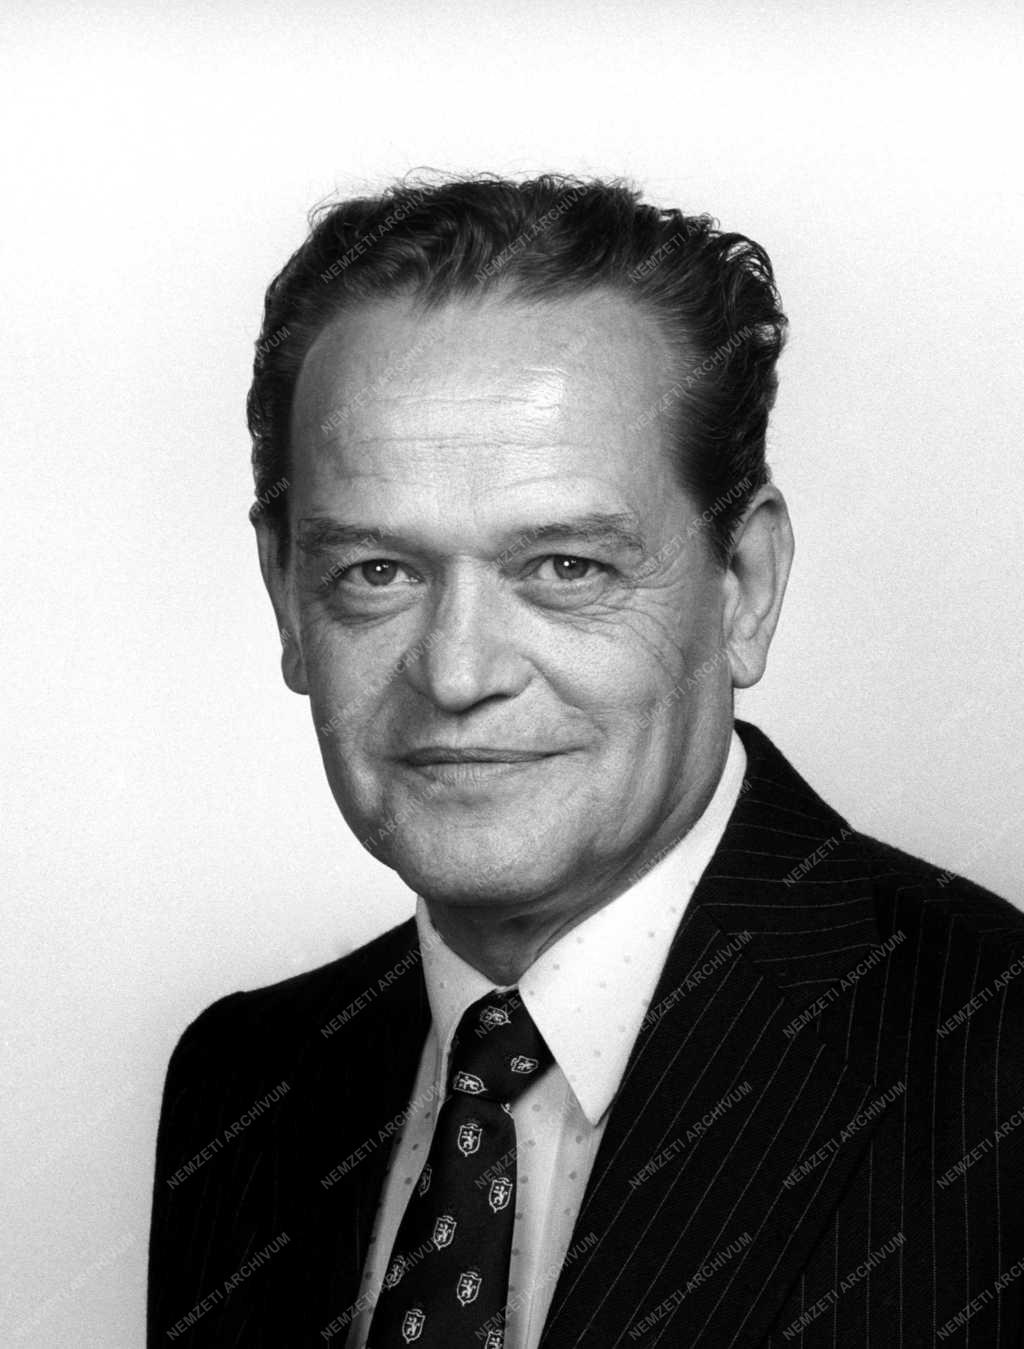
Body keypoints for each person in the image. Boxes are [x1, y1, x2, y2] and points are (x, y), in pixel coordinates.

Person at [147, 175, 1024, 1348]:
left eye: (565, 567)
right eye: (376, 571)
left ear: (744, 586)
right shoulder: (243, 1088)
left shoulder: (991, 1064)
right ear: (286, 596)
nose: (457, 671)